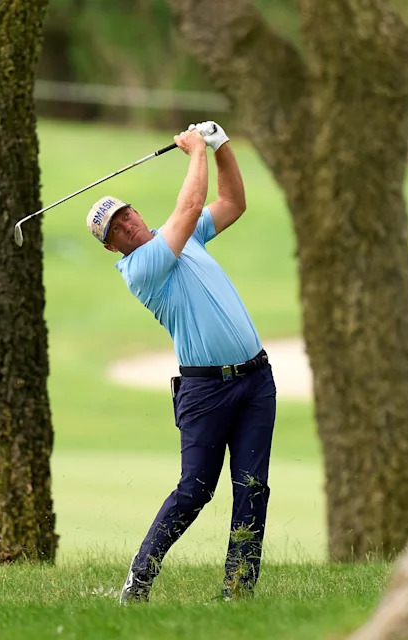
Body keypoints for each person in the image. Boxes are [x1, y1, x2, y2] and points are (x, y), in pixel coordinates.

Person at [86, 122, 277, 603]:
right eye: (117, 228)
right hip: (205, 392)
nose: (128, 225)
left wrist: (221, 147)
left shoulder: (184, 238)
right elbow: (190, 207)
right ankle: (140, 577)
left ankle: (237, 591)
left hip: (256, 379)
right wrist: (194, 151)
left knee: (252, 488)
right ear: (111, 245)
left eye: (127, 214)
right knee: (194, 491)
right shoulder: (141, 267)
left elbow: (233, 203)